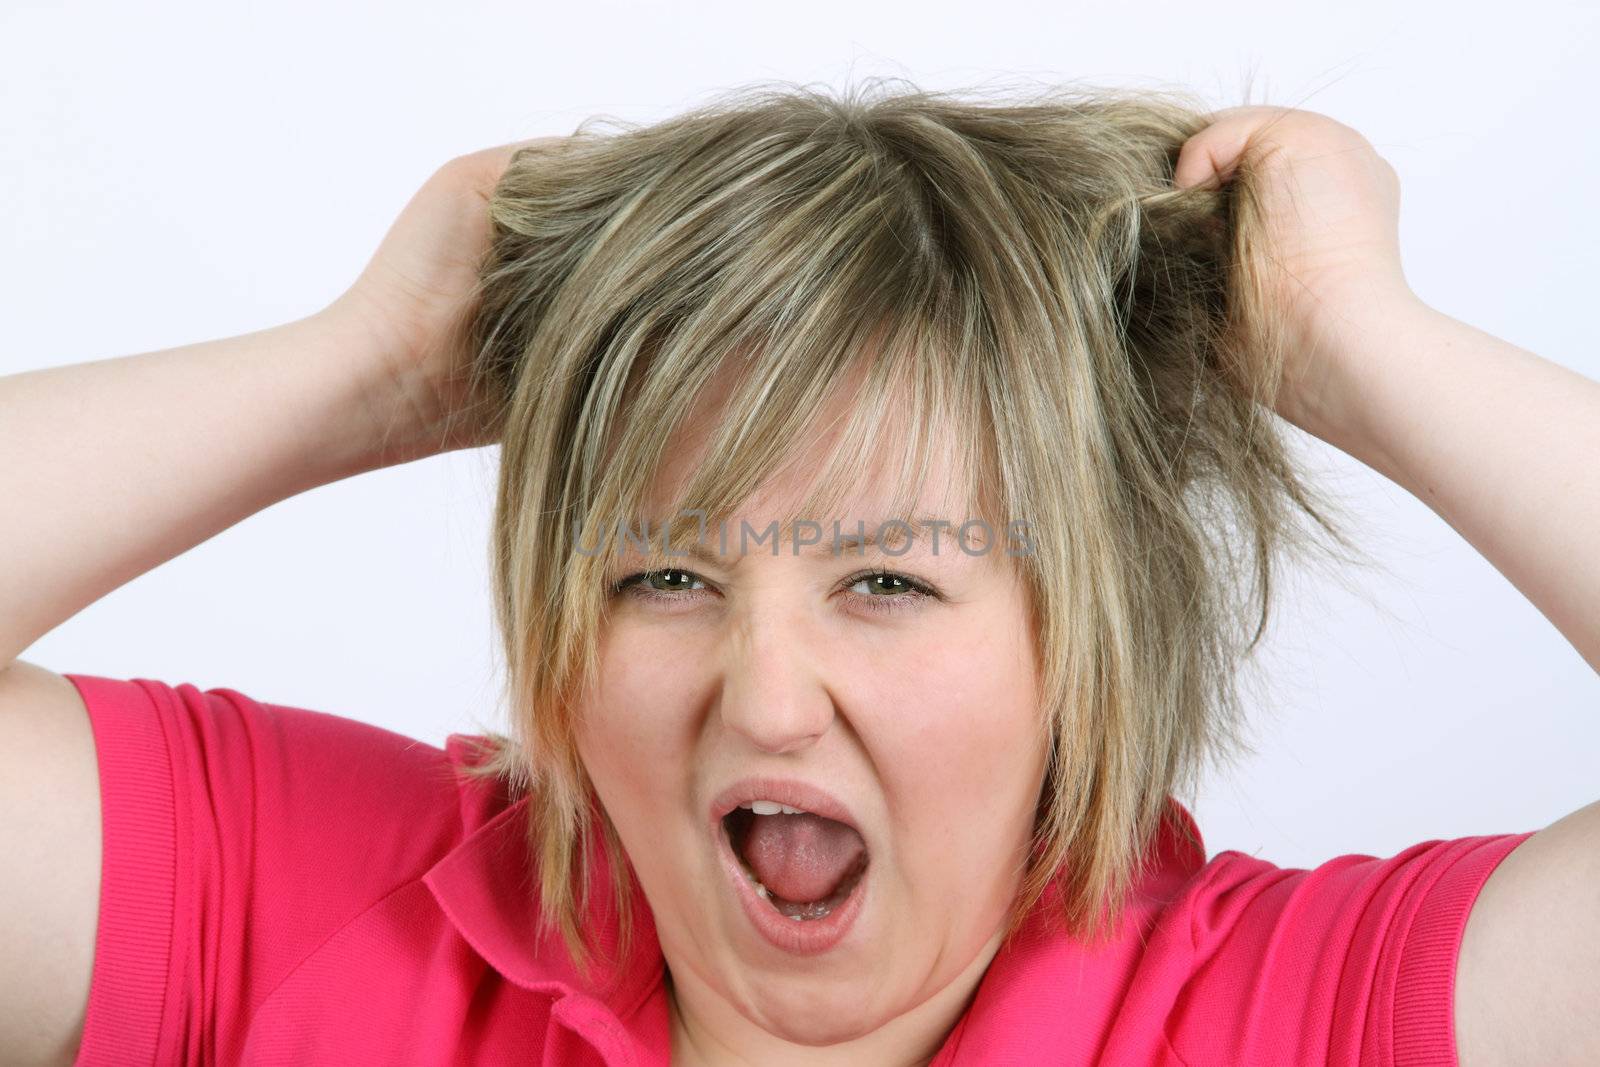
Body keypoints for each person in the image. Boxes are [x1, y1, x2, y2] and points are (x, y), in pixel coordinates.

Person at [1, 83, 1596, 1067]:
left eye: (891, 579)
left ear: (1083, 642)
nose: (763, 697)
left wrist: (1345, 331)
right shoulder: (312, 907)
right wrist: (374, 368)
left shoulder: (1300, 1016)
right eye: (662, 578)